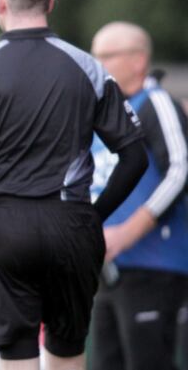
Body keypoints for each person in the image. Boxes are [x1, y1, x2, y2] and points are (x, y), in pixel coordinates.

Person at [0, 0, 148, 370]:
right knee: (67, 355)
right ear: (51, 1)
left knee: (15, 358)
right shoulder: (89, 67)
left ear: (0, 3)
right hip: (71, 224)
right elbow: (134, 157)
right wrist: (95, 214)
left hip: (3, 224)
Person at [89, 21, 188, 370]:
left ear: (137, 60)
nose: (95, 63)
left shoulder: (155, 102)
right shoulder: (103, 113)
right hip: (108, 270)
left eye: (106, 55)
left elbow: (180, 171)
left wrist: (127, 232)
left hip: (152, 265)